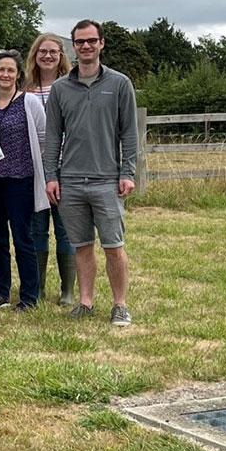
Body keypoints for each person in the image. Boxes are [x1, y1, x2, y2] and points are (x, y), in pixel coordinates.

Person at [43, 20, 139, 326]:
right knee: (81, 246)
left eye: (91, 41)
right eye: (80, 41)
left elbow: (130, 133)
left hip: (107, 180)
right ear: (73, 46)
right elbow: (53, 137)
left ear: (101, 44)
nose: (85, 46)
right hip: (70, 181)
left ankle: (120, 305)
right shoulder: (60, 88)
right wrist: (51, 176)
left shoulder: (120, 84)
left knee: (113, 245)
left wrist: (128, 172)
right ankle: (85, 302)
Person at [0, 50, 46, 311]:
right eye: (1, 69)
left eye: (10, 70)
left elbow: (44, 137)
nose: (5, 74)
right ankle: (1, 291)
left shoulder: (29, 102)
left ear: (18, 74)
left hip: (20, 179)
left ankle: (29, 296)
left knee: (22, 237)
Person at [24, 32, 76, 306]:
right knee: (37, 229)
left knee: (66, 229)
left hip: (66, 167)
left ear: (61, 56)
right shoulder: (25, 90)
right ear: (35, 56)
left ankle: (67, 290)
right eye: (42, 51)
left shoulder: (71, 87)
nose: (47, 56)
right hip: (33, 169)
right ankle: (39, 286)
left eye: (53, 52)